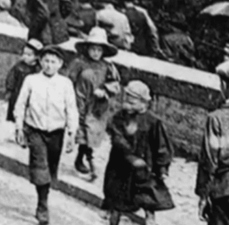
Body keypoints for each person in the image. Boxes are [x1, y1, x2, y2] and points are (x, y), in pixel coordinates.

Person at [13, 45, 78, 225]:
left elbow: (71, 109)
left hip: (56, 133)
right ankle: (42, 205)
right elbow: (20, 104)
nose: (49, 65)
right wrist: (19, 128)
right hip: (35, 131)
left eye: (53, 62)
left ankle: (45, 195)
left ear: (60, 64)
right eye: (46, 61)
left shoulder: (65, 84)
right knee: (40, 167)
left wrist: (72, 134)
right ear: (40, 62)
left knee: (50, 168)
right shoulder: (31, 80)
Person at [103, 80, 174, 225]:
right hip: (120, 166)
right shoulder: (119, 118)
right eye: (126, 101)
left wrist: (162, 167)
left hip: (145, 168)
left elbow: (162, 146)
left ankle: (150, 220)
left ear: (144, 103)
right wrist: (130, 156)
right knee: (116, 198)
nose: (127, 106)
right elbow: (117, 138)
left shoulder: (153, 122)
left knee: (148, 198)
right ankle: (113, 220)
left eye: (132, 103)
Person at [68, 27, 121, 182]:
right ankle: (89, 164)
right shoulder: (79, 63)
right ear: (87, 49)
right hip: (80, 101)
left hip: (98, 107)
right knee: (82, 130)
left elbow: (115, 85)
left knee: (90, 133)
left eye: (99, 49)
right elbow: (68, 81)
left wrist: (104, 90)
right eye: (93, 49)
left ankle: (82, 159)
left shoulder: (107, 67)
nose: (96, 53)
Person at [198, 61, 229, 225]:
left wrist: (203, 194)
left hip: (224, 188)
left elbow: (209, 160)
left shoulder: (216, 118)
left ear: (224, 86)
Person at [5, 39, 43, 123]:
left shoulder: (38, 70)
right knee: (14, 111)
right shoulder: (19, 66)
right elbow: (11, 78)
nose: (25, 57)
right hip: (17, 94)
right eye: (24, 54)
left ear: (37, 57)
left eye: (29, 55)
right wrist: (9, 90)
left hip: (30, 98)